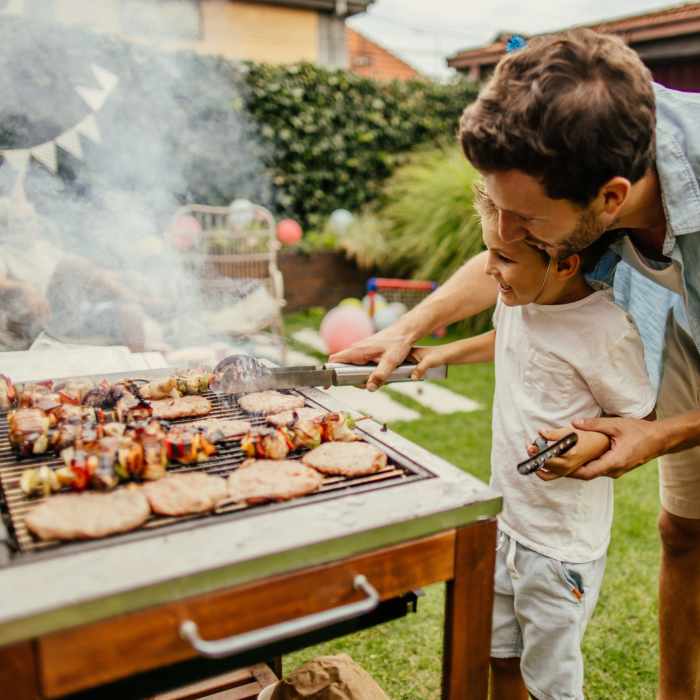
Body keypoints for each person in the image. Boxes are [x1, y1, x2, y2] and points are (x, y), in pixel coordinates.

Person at [330, 29, 700, 697]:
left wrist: (659, 432)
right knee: (684, 535)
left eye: (522, 220)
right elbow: (510, 259)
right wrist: (410, 327)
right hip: (682, 327)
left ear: (611, 199)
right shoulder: (582, 153)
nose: (502, 236)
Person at [408, 189, 654, 700]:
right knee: (501, 656)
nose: (489, 270)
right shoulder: (519, 300)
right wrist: (441, 351)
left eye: (502, 258)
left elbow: (638, 416)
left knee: (552, 685)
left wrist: (588, 444)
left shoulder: (605, 330)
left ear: (563, 263)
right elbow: (507, 341)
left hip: (558, 548)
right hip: (506, 523)